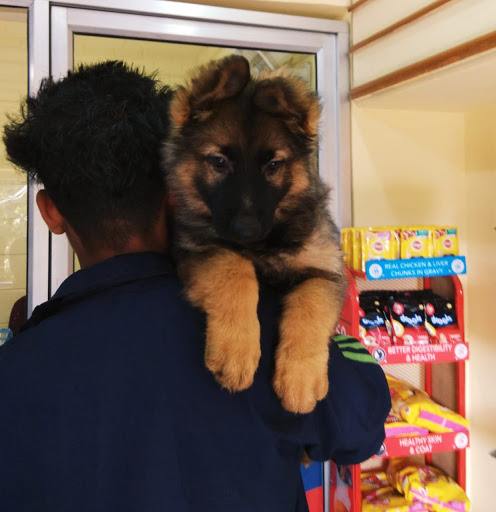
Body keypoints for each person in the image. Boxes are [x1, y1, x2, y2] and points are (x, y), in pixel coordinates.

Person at [0, 61, 390, 512]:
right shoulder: (269, 326)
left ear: (49, 212)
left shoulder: (13, 373)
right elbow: (362, 427)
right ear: (174, 189)